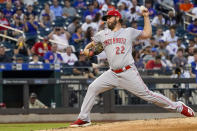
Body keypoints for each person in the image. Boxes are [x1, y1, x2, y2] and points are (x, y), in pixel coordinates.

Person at [70, 9, 195, 127]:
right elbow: (92, 45)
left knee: (148, 95)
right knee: (92, 88)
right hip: (112, 73)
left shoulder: (128, 31)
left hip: (128, 72)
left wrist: (146, 17)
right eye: (106, 18)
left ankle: (178, 106)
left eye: (109, 18)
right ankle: (84, 118)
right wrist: (87, 50)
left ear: (117, 18)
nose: (107, 20)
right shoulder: (102, 34)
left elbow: (147, 34)